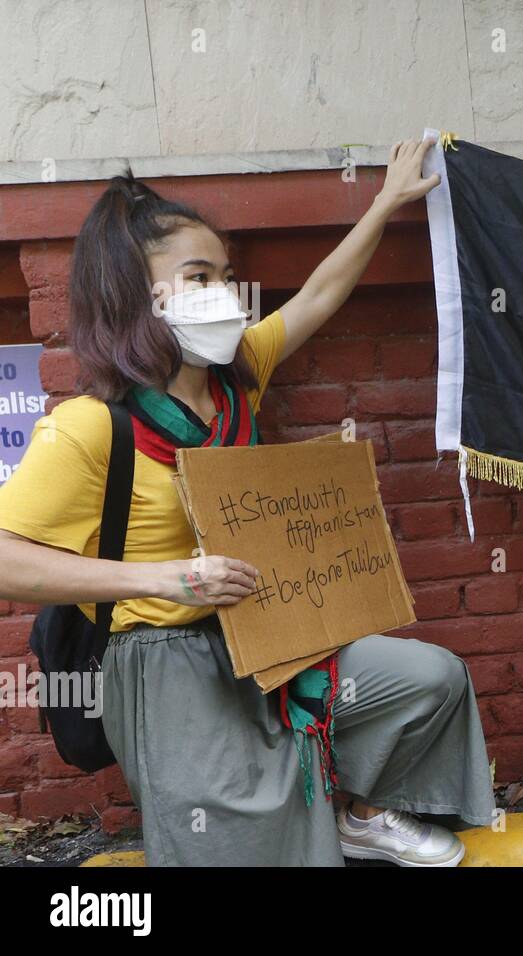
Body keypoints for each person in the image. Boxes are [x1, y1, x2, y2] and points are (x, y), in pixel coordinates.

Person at [0, 139, 497, 866]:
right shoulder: (89, 427)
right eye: (197, 276)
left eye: (226, 277)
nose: (224, 295)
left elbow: (321, 293)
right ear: (134, 295)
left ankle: (357, 812)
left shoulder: (240, 380)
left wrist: (387, 201)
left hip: (268, 629)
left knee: (428, 680)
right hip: (163, 660)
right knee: (254, 825)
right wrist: (163, 579)